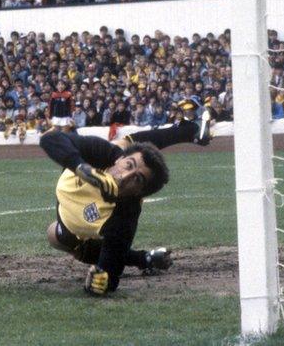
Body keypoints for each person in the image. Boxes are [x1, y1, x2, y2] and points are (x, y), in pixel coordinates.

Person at [39, 110, 211, 296]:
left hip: (73, 230)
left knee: (55, 236)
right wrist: (82, 167)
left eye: (137, 180)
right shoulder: (104, 154)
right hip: (73, 187)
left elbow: (110, 275)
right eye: (127, 166)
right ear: (118, 160)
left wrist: (99, 281)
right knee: (125, 144)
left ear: (140, 193)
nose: (125, 177)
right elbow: (50, 139)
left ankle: (143, 258)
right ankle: (186, 130)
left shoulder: (125, 216)